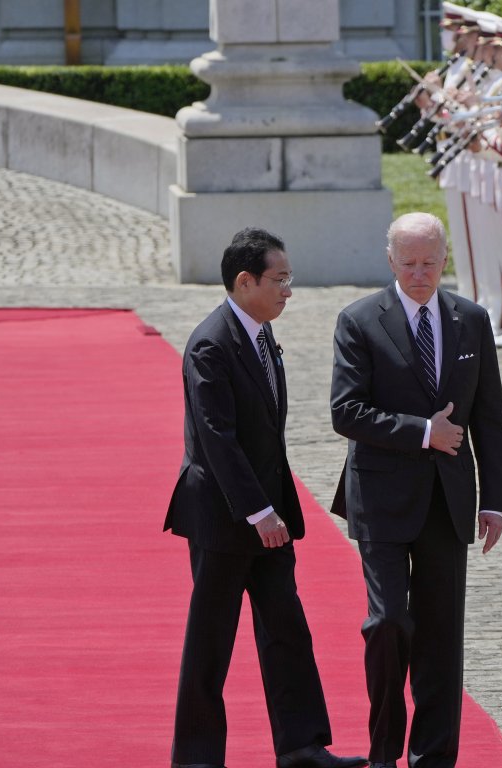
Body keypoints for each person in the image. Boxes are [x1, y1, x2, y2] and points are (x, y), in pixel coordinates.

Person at [165, 228, 365, 768]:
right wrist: (259, 512)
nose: (288, 290)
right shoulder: (211, 343)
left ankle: (301, 747)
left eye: (288, 279)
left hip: (269, 518)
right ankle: (196, 758)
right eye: (279, 280)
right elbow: (217, 441)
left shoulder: (260, 334)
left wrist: (273, 511)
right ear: (244, 281)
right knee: (211, 643)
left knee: (286, 629)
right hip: (225, 518)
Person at [330, 212, 502, 768]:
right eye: (407, 262)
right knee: (388, 624)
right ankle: (384, 752)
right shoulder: (359, 320)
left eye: (429, 261)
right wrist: (424, 432)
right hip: (381, 499)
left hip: (447, 502)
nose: (418, 272)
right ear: (390, 261)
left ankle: (434, 756)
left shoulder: (471, 320)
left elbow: (489, 415)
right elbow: (346, 411)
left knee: (440, 638)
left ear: (445, 258)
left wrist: (495, 499)